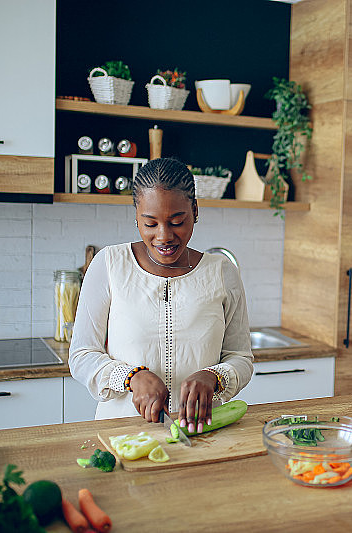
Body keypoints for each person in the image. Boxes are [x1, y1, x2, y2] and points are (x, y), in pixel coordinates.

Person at [69, 158, 254, 434]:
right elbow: (81, 355)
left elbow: (241, 357)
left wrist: (214, 376)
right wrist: (131, 377)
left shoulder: (222, 272)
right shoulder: (109, 264)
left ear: (195, 210)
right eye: (150, 223)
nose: (164, 236)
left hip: (202, 434)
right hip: (122, 435)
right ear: (136, 216)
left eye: (177, 222)